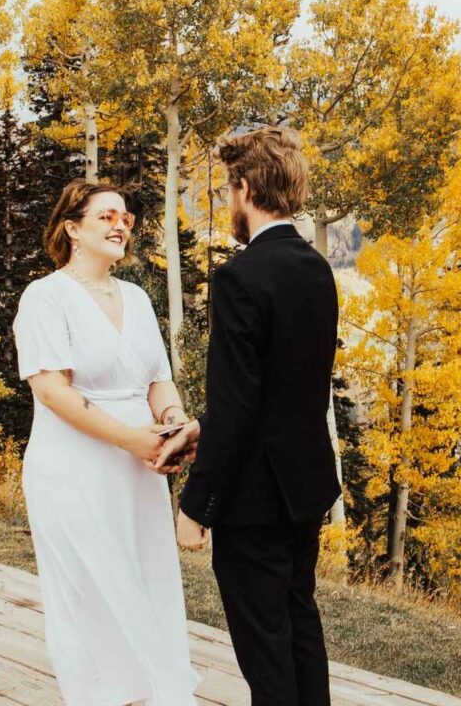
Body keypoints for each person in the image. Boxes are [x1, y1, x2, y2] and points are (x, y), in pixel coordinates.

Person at [156, 126, 341, 706]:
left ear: (245, 188)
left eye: (229, 189)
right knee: (298, 623)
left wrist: (195, 505)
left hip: (256, 498)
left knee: (264, 648)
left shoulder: (240, 277)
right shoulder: (316, 269)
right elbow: (283, 391)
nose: (227, 203)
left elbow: (238, 404)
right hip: (306, 487)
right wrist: (201, 428)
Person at [12, 179, 201, 706]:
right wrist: (131, 440)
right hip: (73, 464)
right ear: (72, 228)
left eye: (127, 219)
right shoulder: (45, 297)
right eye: (107, 216)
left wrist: (174, 424)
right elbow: (52, 390)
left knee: (144, 577)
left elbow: (157, 379)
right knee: (88, 586)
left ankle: (148, 690)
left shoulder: (138, 299)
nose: (122, 225)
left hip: (139, 465)